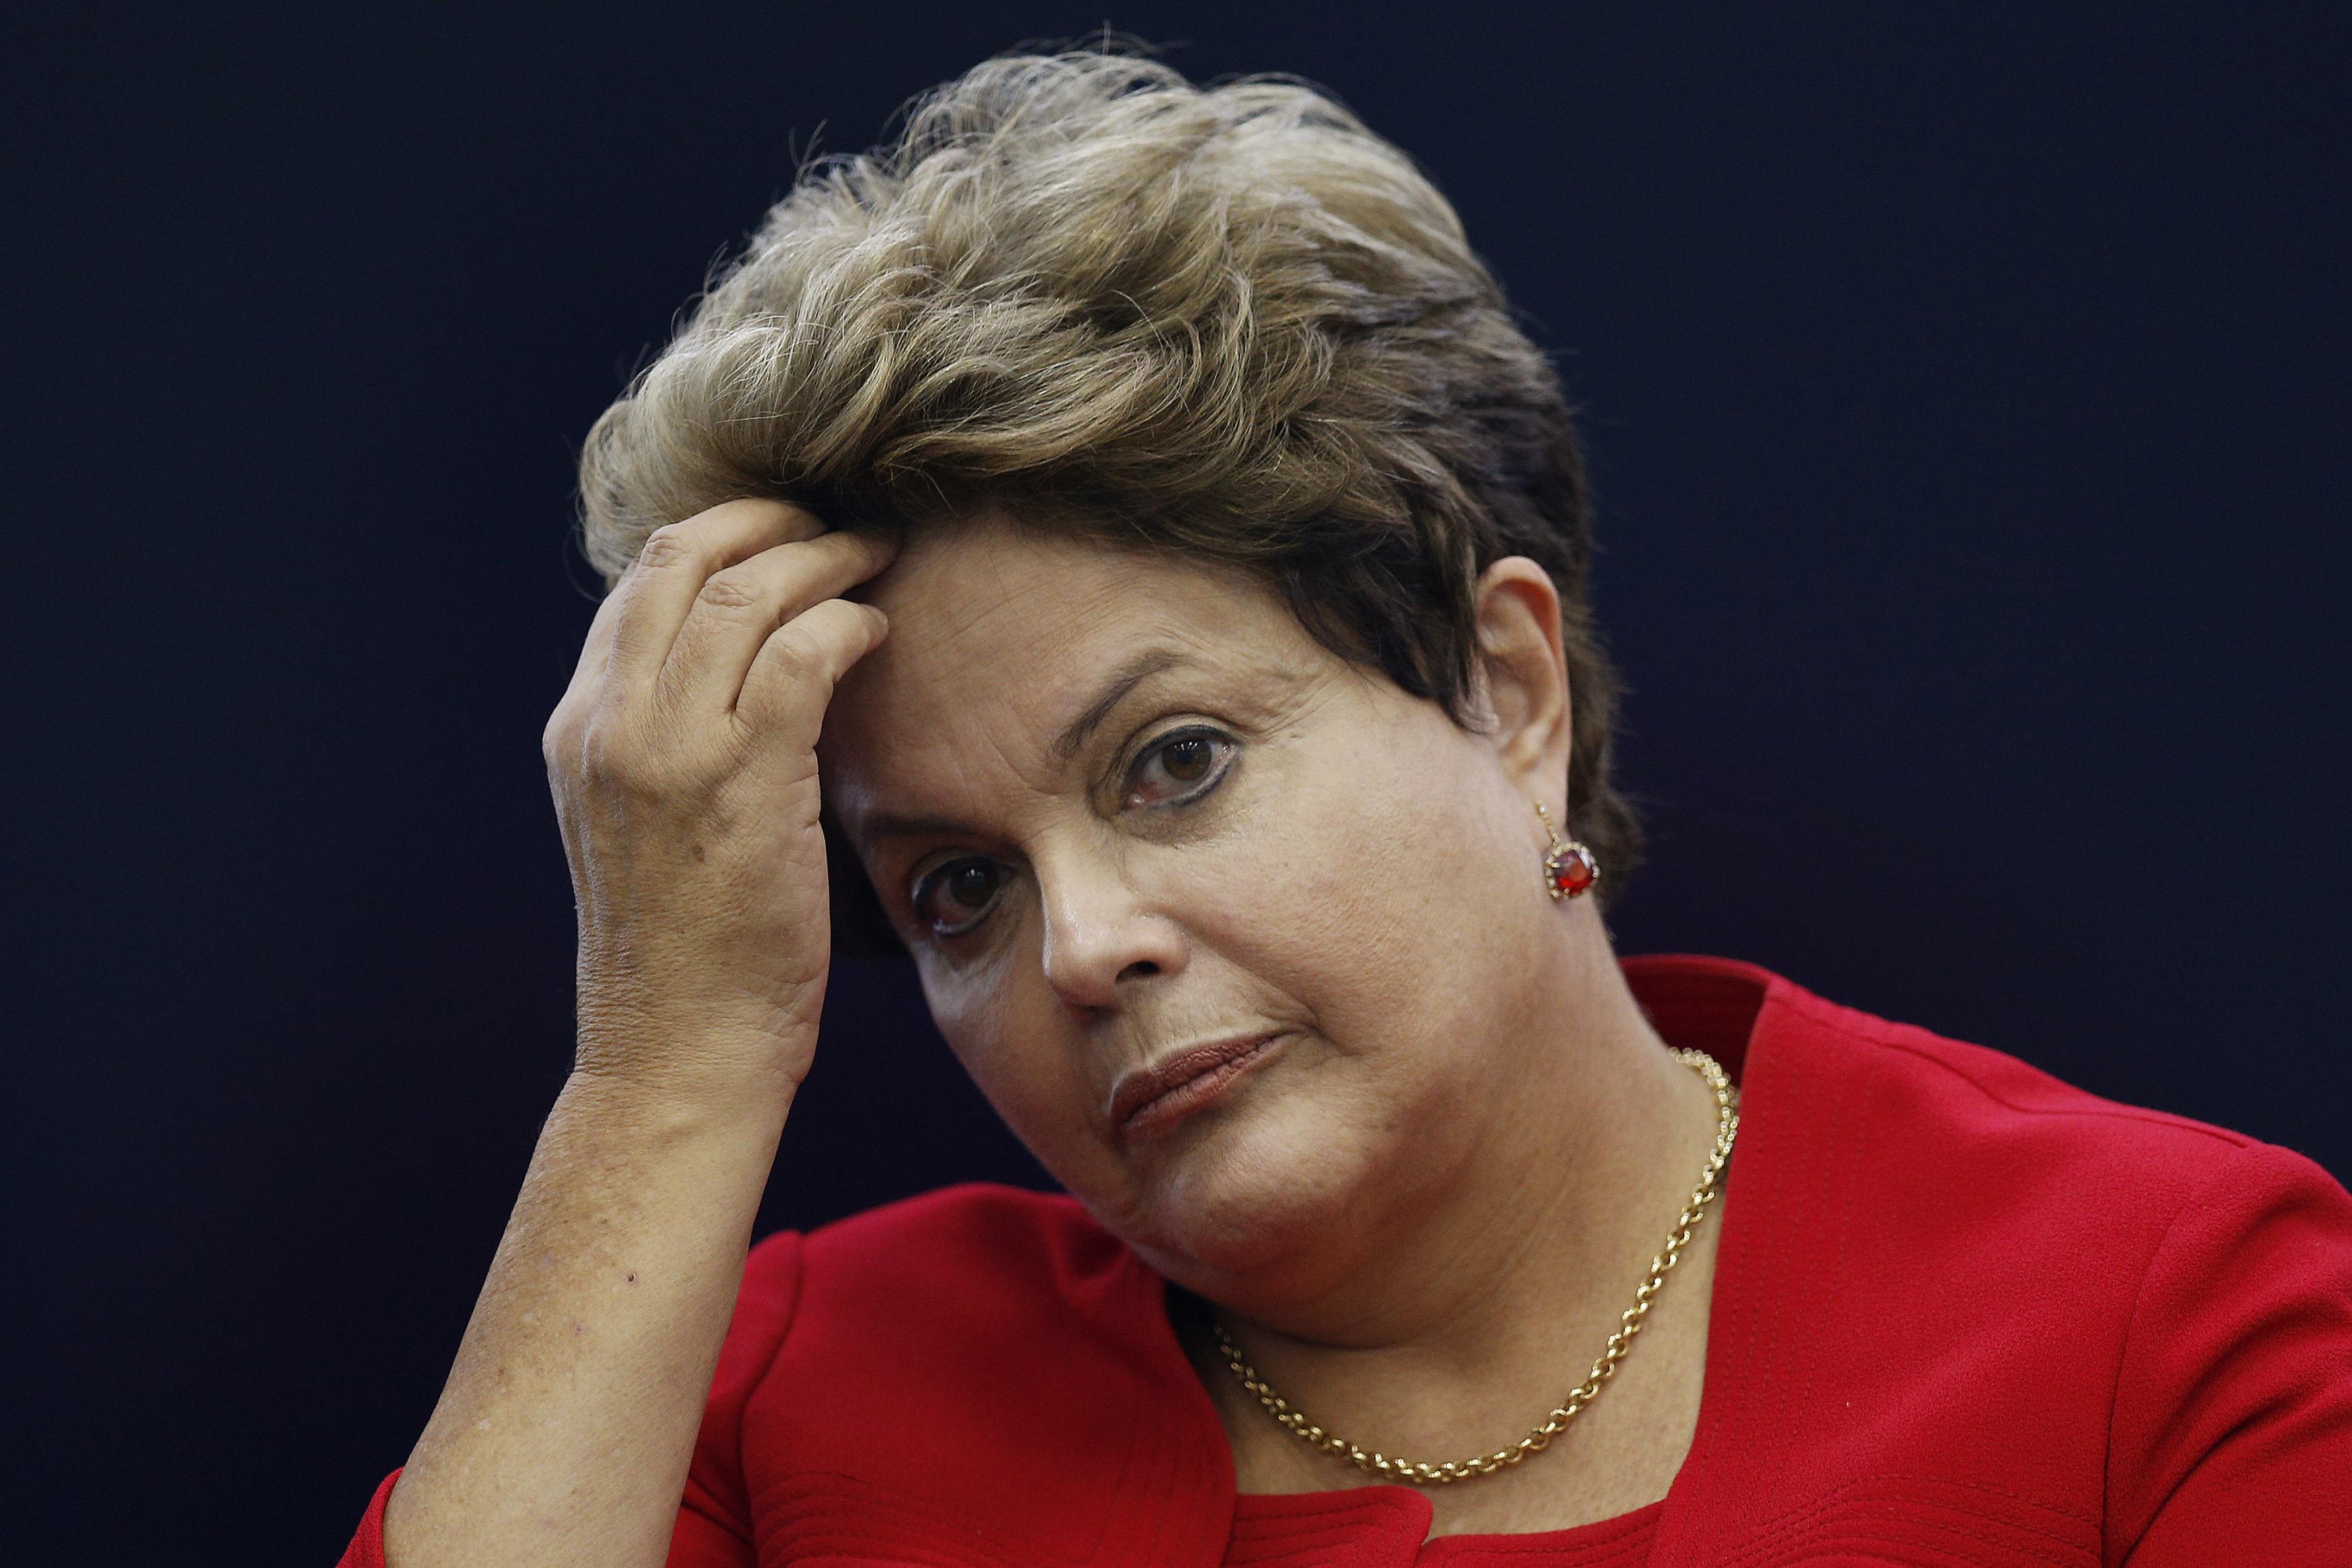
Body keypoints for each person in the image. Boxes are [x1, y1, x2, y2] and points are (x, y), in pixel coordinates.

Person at [341, 49, 2352, 1568]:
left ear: (1504, 690)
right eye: (952, 888)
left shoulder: (2156, 1312)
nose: (1081, 946)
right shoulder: (795, 1400)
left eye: (1174, 762)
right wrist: (661, 1074)